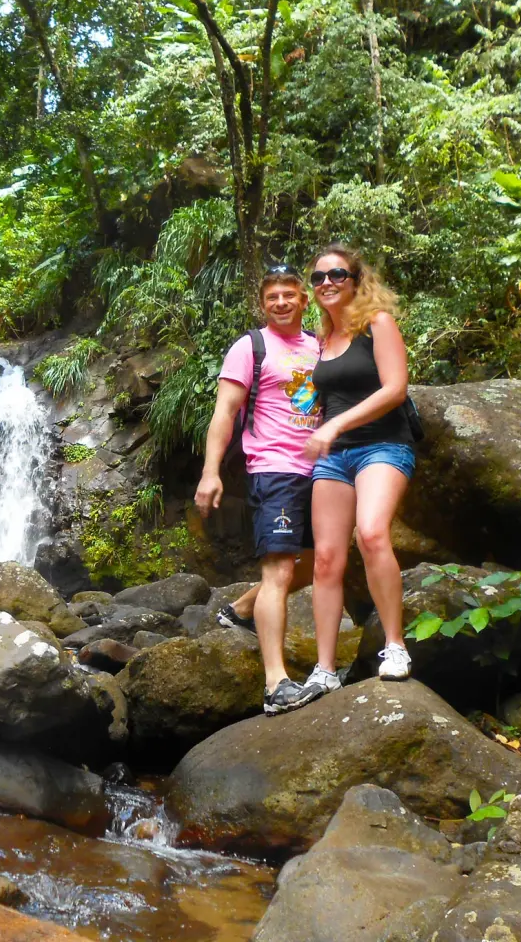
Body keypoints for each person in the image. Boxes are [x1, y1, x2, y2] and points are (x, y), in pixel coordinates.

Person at [194, 265, 325, 715]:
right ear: (262, 303)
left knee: (314, 566)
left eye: (290, 294)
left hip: (322, 472)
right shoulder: (250, 347)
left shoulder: (321, 346)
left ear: (304, 300)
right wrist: (211, 472)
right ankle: (276, 685)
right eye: (273, 297)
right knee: (280, 572)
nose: (282, 302)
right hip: (274, 469)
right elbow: (225, 413)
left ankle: (242, 609)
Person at [301, 242, 414, 693]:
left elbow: (395, 389)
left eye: (336, 274)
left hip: (382, 446)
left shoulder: (377, 324)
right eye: (318, 277)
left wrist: (337, 425)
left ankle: (395, 645)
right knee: (326, 558)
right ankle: (324, 670)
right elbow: (324, 398)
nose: (326, 282)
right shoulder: (321, 338)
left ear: (355, 279)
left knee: (371, 533)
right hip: (333, 456)